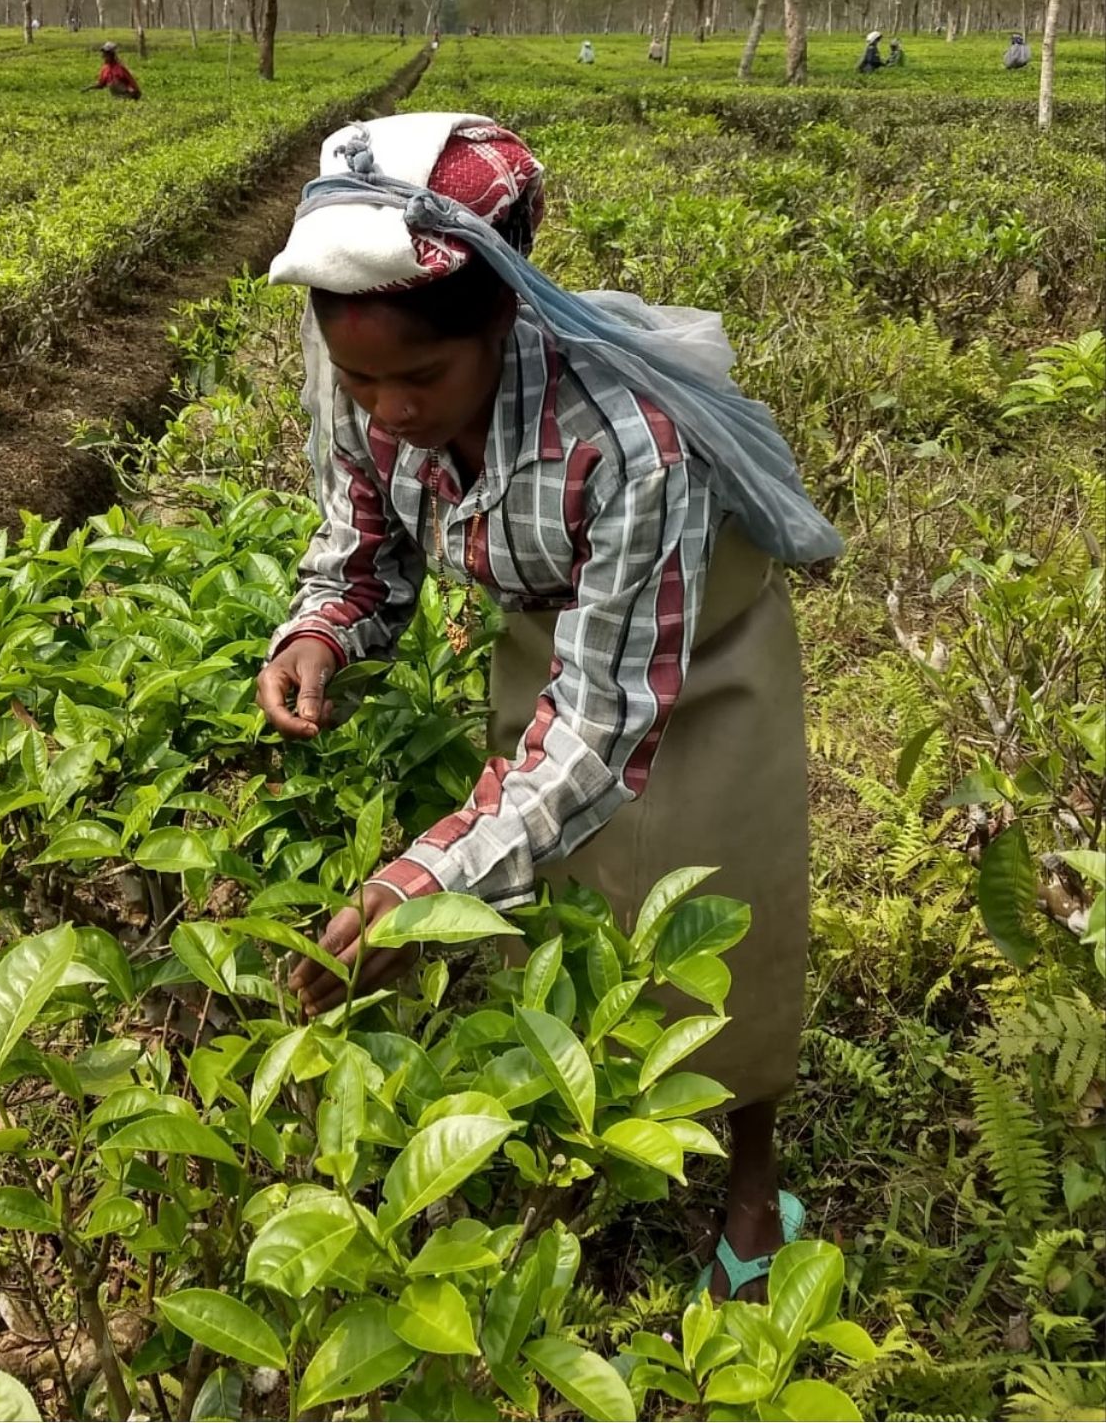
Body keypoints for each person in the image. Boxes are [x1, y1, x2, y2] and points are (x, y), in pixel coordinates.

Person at [258, 114, 842, 1304]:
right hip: (554, 643)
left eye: (420, 377)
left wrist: (408, 889)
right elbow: (362, 543)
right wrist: (321, 628)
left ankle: (750, 1166)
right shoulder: (363, 393)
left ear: (502, 323)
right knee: (561, 914)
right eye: (361, 377)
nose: (388, 409)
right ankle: (578, 1153)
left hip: (702, 652)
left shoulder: (634, 440)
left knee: (725, 922)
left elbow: (600, 725)